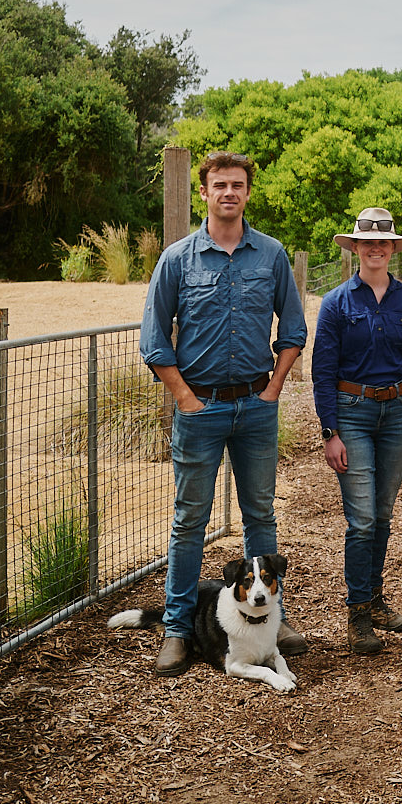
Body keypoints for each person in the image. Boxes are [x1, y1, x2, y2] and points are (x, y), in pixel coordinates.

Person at [140, 151, 308, 677]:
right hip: (200, 408)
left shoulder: (272, 256)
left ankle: (272, 623)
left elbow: (295, 329)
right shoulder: (179, 259)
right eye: (219, 185)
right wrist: (184, 397)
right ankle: (176, 629)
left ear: (248, 192)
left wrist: (274, 387)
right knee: (190, 521)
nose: (228, 192)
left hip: (256, 407)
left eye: (237, 184)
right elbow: (153, 340)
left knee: (260, 516)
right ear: (205, 193)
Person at [312, 208, 402, 656]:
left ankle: (377, 599)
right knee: (361, 519)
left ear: (392, 249)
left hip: (399, 414)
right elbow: (322, 371)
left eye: (384, 243)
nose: (376, 249)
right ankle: (358, 613)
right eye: (368, 243)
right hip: (353, 414)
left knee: (381, 514)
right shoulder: (336, 303)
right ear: (356, 248)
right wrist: (330, 431)